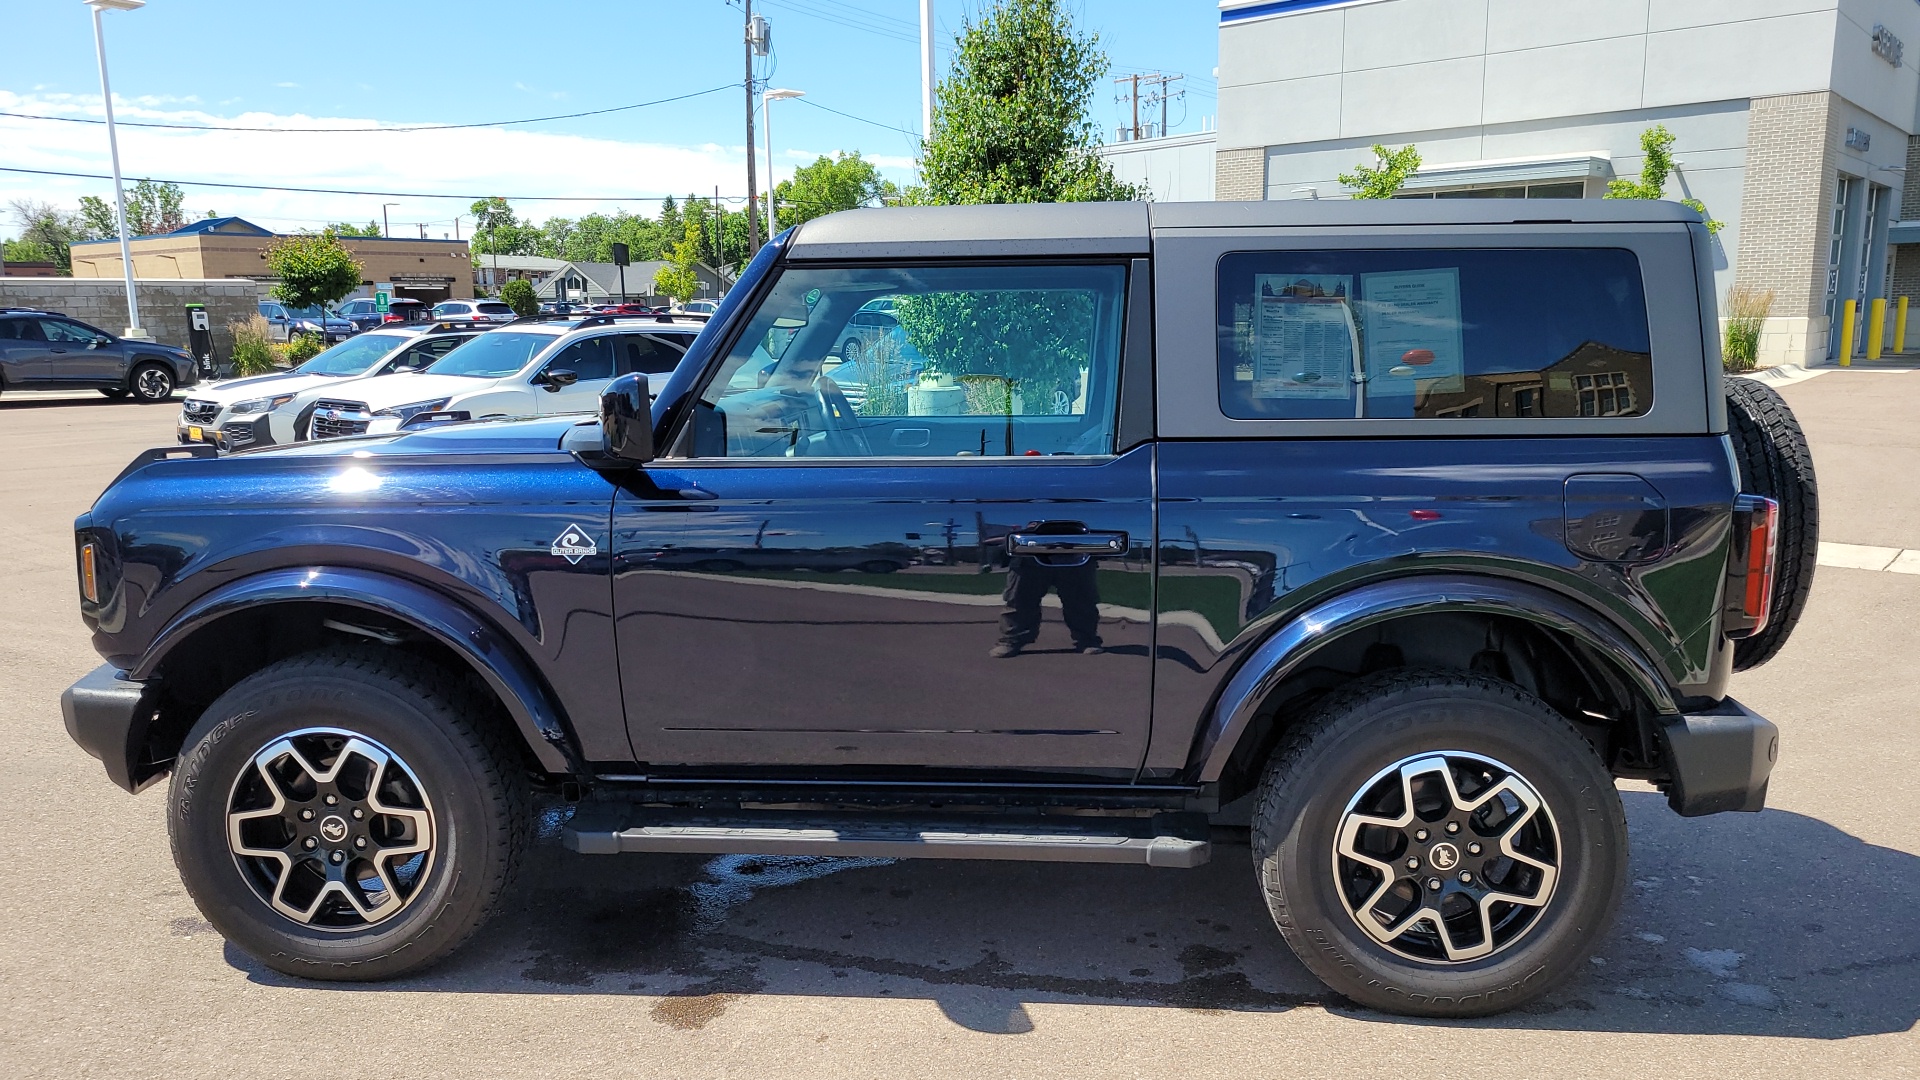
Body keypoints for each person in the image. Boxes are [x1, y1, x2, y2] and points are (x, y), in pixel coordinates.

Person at [991, 525, 1104, 658]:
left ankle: (1087, 639)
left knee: (1081, 599)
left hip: (1073, 545)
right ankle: (1011, 639)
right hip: (1028, 548)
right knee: (1020, 598)